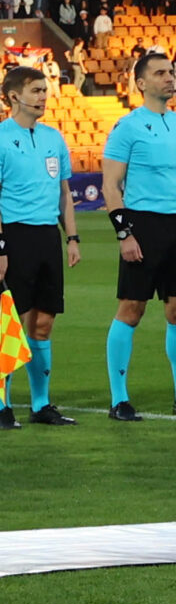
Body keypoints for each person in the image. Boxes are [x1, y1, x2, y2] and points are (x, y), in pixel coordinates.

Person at [0, 65, 80, 428]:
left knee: (43, 323)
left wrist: (71, 237)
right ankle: (1, 407)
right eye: (35, 90)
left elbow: (64, 194)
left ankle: (41, 405)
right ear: (13, 96)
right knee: (10, 324)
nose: (42, 97)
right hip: (14, 237)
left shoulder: (54, 138)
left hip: (47, 237)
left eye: (44, 90)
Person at [100, 51, 176, 420]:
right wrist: (124, 234)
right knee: (132, 309)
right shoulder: (127, 127)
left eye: (171, 71)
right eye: (160, 73)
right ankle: (119, 400)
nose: (169, 77)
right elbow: (110, 186)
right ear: (141, 83)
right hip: (144, 225)